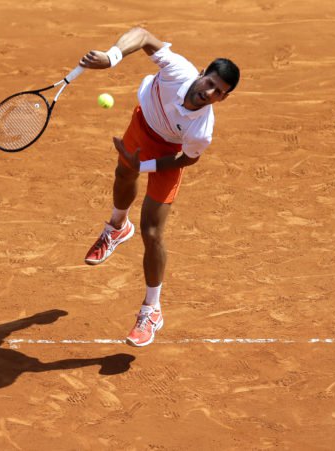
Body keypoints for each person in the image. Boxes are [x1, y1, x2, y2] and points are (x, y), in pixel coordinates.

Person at [78, 27, 240, 347]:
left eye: (218, 92)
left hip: (168, 154)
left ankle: (152, 309)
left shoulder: (202, 129)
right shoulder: (178, 69)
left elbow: (186, 160)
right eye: (210, 83)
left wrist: (147, 166)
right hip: (143, 124)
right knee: (123, 175)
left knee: (152, 233)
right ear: (203, 73)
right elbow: (143, 35)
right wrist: (112, 58)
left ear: (223, 98)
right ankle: (116, 227)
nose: (209, 93)